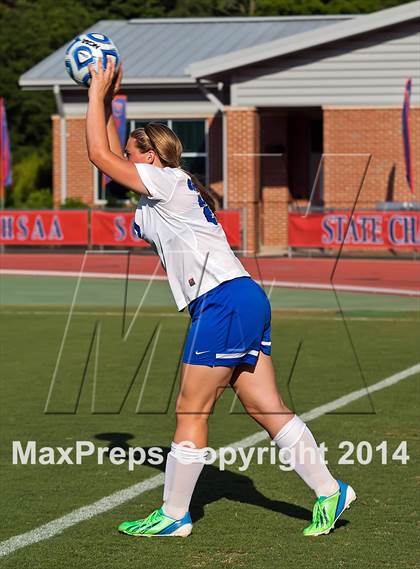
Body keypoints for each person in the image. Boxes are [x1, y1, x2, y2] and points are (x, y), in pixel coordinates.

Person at [86, 57, 356, 538]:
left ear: (152, 157)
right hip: (242, 296)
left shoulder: (169, 182)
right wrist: (105, 97)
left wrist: (91, 96)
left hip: (223, 301)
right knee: (266, 406)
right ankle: (330, 491)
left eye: (134, 154)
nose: (126, 162)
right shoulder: (156, 199)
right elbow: (109, 154)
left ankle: (174, 515)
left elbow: (101, 157)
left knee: (191, 409)